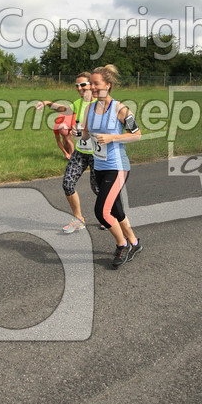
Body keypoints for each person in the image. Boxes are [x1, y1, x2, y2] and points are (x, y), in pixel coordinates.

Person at [83, 64, 143, 269]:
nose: (91, 87)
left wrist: (112, 137)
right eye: (90, 83)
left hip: (117, 166)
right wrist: (78, 134)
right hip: (98, 166)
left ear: (107, 86)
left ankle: (122, 244)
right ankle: (134, 243)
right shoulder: (90, 108)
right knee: (116, 210)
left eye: (95, 84)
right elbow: (85, 134)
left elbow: (137, 135)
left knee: (101, 211)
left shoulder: (121, 109)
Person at [35, 72, 99, 233]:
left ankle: (109, 214)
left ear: (92, 85)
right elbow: (64, 109)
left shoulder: (102, 104)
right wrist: (47, 103)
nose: (79, 88)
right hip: (80, 152)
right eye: (77, 86)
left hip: (97, 153)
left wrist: (85, 132)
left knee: (97, 189)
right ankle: (78, 220)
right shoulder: (78, 103)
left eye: (83, 85)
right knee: (67, 184)